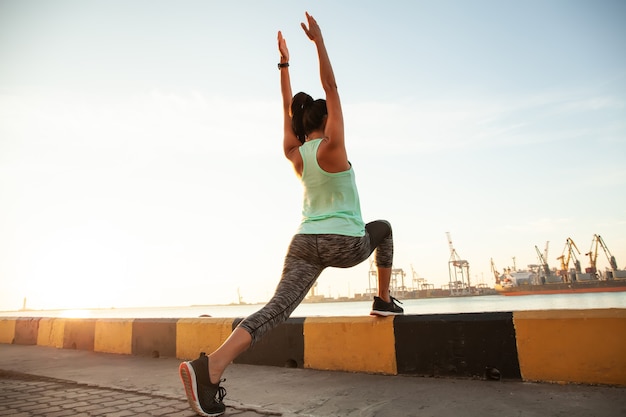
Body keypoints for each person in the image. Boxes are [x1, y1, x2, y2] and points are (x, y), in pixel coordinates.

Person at [178, 12, 403, 417]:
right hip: (345, 245)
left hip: (302, 245)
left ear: (301, 127)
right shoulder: (334, 148)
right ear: (326, 121)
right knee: (384, 229)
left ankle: (209, 368)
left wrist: (284, 64)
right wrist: (318, 41)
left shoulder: (295, 154)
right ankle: (384, 300)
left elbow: (286, 107)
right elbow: (330, 86)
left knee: (274, 311)